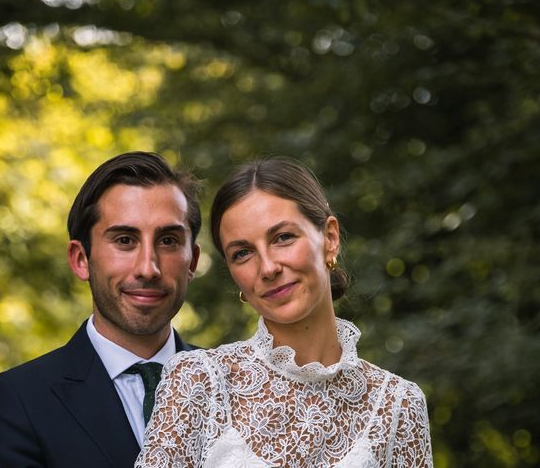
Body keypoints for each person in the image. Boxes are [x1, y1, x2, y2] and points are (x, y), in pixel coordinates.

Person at [135, 158, 433, 467]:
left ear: (329, 238)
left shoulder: (398, 405)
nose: (268, 268)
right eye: (243, 253)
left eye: (283, 237)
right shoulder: (197, 381)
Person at [0, 151, 202, 468]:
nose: (148, 268)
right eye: (124, 240)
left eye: (169, 241)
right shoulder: (16, 403)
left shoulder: (244, 391)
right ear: (81, 260)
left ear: (194, 261)